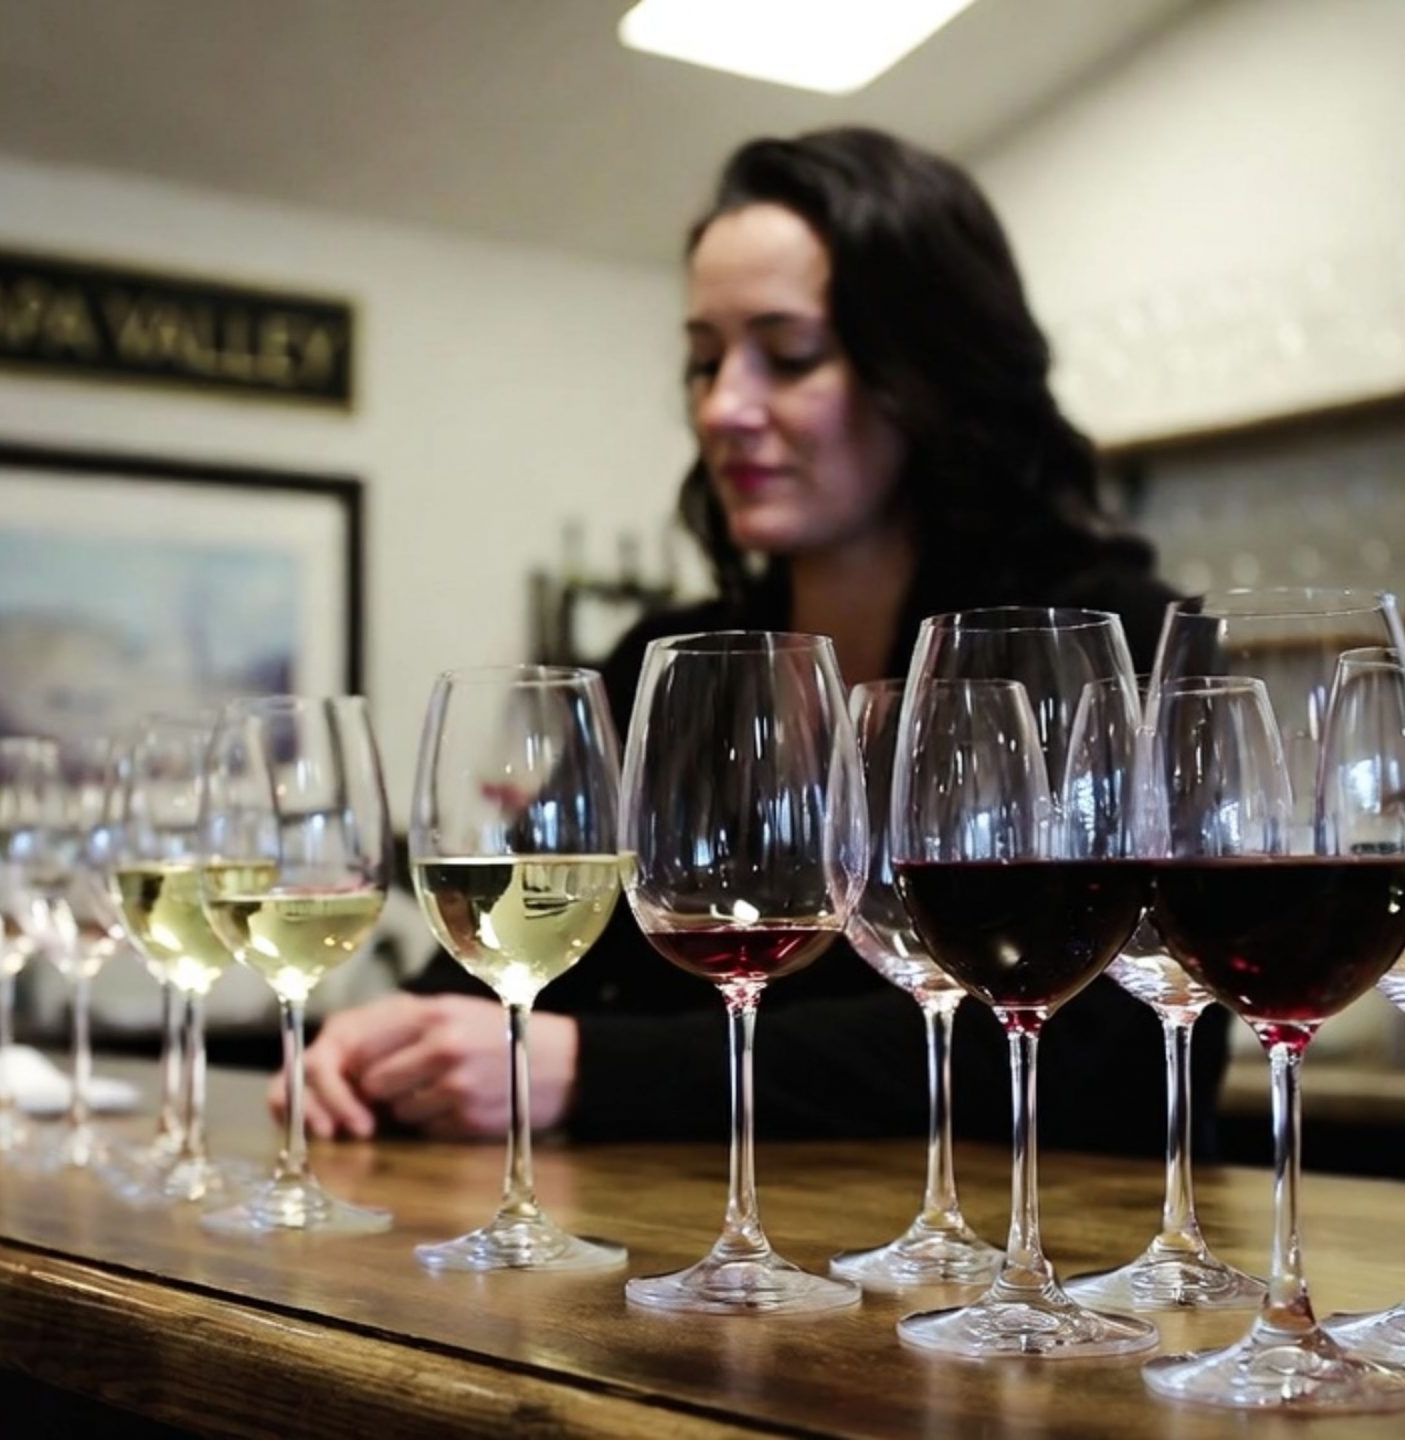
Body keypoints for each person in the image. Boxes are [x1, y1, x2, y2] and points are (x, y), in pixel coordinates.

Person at [285, 126, 1222, 1153]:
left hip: (1047, 1245)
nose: (724, 407)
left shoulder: (1111, 644)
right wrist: (388, 1036)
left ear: (932, 373)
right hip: (685, 1242)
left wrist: (596, 1072)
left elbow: (1117, 1057)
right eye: (704, 360)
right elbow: (511, 958)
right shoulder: (666, 664)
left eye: (790, 356)